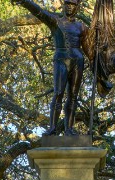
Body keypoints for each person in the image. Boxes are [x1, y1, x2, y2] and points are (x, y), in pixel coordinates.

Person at [15, 0, 89, 135]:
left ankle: (69, 129)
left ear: (77, 7)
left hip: (78, 60)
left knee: (73, 96)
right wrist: (25, 2)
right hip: (61, 59)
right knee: (58, 93)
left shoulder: (81, 27)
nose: (69, 7)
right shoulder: (56, 21)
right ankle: (53, 128)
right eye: (67, 4)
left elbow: (88, 49)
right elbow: (39, 12)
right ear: (63, 6)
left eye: (72, 4)